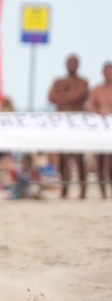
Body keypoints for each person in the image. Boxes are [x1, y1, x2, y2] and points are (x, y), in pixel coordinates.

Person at [47, 53, 89, 199]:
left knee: (78, 157)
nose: (71, 65)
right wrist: (68, 98)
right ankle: (64, 189)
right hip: (62, 123)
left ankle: (83, 190)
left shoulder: (83, 82)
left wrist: (62, 97)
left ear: (78, 64)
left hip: (77, 124)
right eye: (69, 62)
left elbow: (79, 95)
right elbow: (51, 97)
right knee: (63, 158)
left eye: (74, 62)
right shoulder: (58, 81)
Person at [87, 61, 112, 199]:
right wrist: (97, 112)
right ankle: (103, 192)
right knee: (101, 160)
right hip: (101, 129)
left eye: (111, 70)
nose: (109, 73)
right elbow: (90, 106)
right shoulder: (97, 89)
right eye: (106, 70)